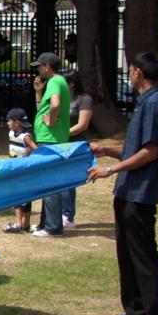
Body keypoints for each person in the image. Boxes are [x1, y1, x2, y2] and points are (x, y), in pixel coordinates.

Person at [88, 52, 158, 315]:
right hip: (126, 191)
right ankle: (135, 313)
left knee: (143, 254)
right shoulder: (144, 103)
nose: (129, 73)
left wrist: (110, 169)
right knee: (126, 253)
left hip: (141, 193)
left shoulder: (156, 104)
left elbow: (150, 153)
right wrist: (108, 150)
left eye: (131, 69)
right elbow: (136, 150)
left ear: (138, 72)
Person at [30, 52, 70, 237]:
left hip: (50, 138)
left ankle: (52, 226)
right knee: (49, 181)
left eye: (39, 66)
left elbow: (55, 104)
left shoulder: (54, 81)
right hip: (52, 137)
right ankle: (45, 223)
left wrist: (51, 120)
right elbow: (44, 108)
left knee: (49, 182)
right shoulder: (58, 82)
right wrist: (38, 92)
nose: (38, 70)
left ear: (47, 66)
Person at [60, 70, 94, 228]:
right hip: (59, 144)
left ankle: (68, 215)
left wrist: (62, 133)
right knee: (57, 178)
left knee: (68, 179)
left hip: (74, 144)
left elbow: (82, 125)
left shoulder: (84, 100)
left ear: (72, 83)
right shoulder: (60, 99)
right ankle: (57, 212)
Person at [2, 108, 38, 233]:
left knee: (25, 197)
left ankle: (23, 224)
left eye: (9, 121)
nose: (7, 123)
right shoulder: (11, 134)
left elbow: (36, 149)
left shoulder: (25, 137)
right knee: (16, 196)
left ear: (16, 122)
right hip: (14, 169)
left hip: (25, 171)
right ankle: (20, 223)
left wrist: (28, 153)